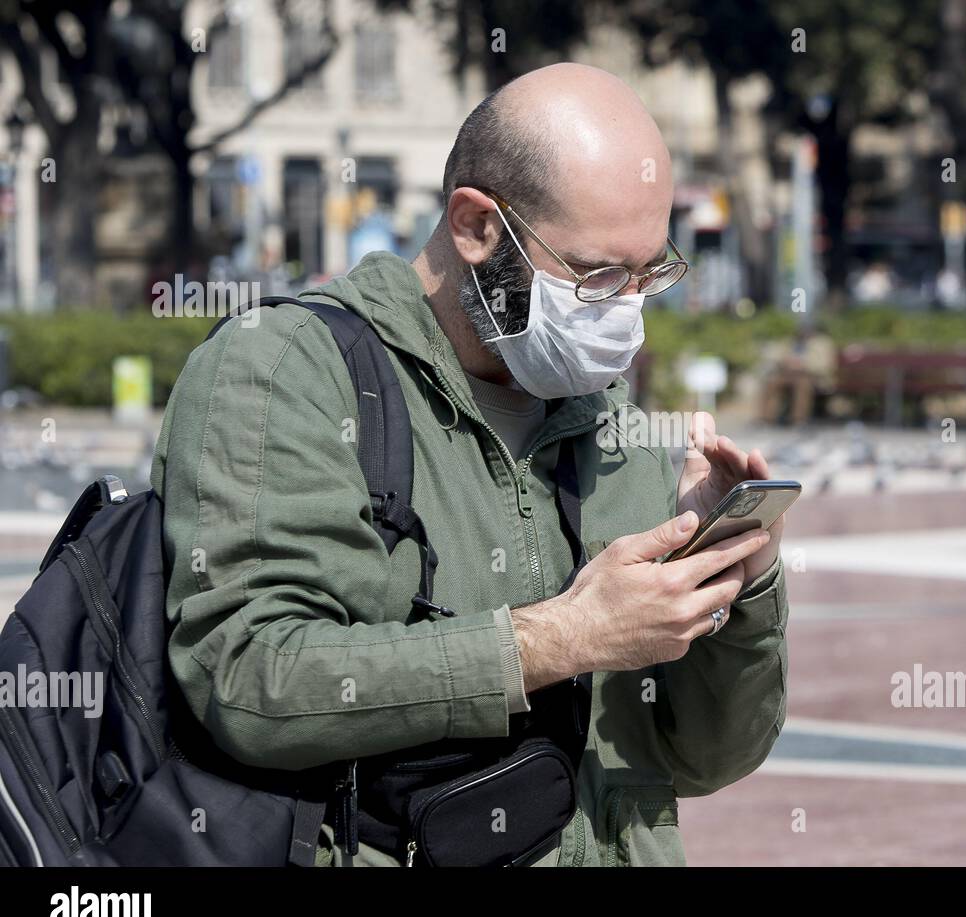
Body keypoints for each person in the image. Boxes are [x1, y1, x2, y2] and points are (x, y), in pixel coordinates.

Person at [150, 63, 788, 866]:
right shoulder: (283, 371)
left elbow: (702, 757)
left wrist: (737, 579)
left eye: (647, 273)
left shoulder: (606, 416)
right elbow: (247, 679)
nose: (627, 312)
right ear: (477, 227)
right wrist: (559, 639)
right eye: (595, 277)